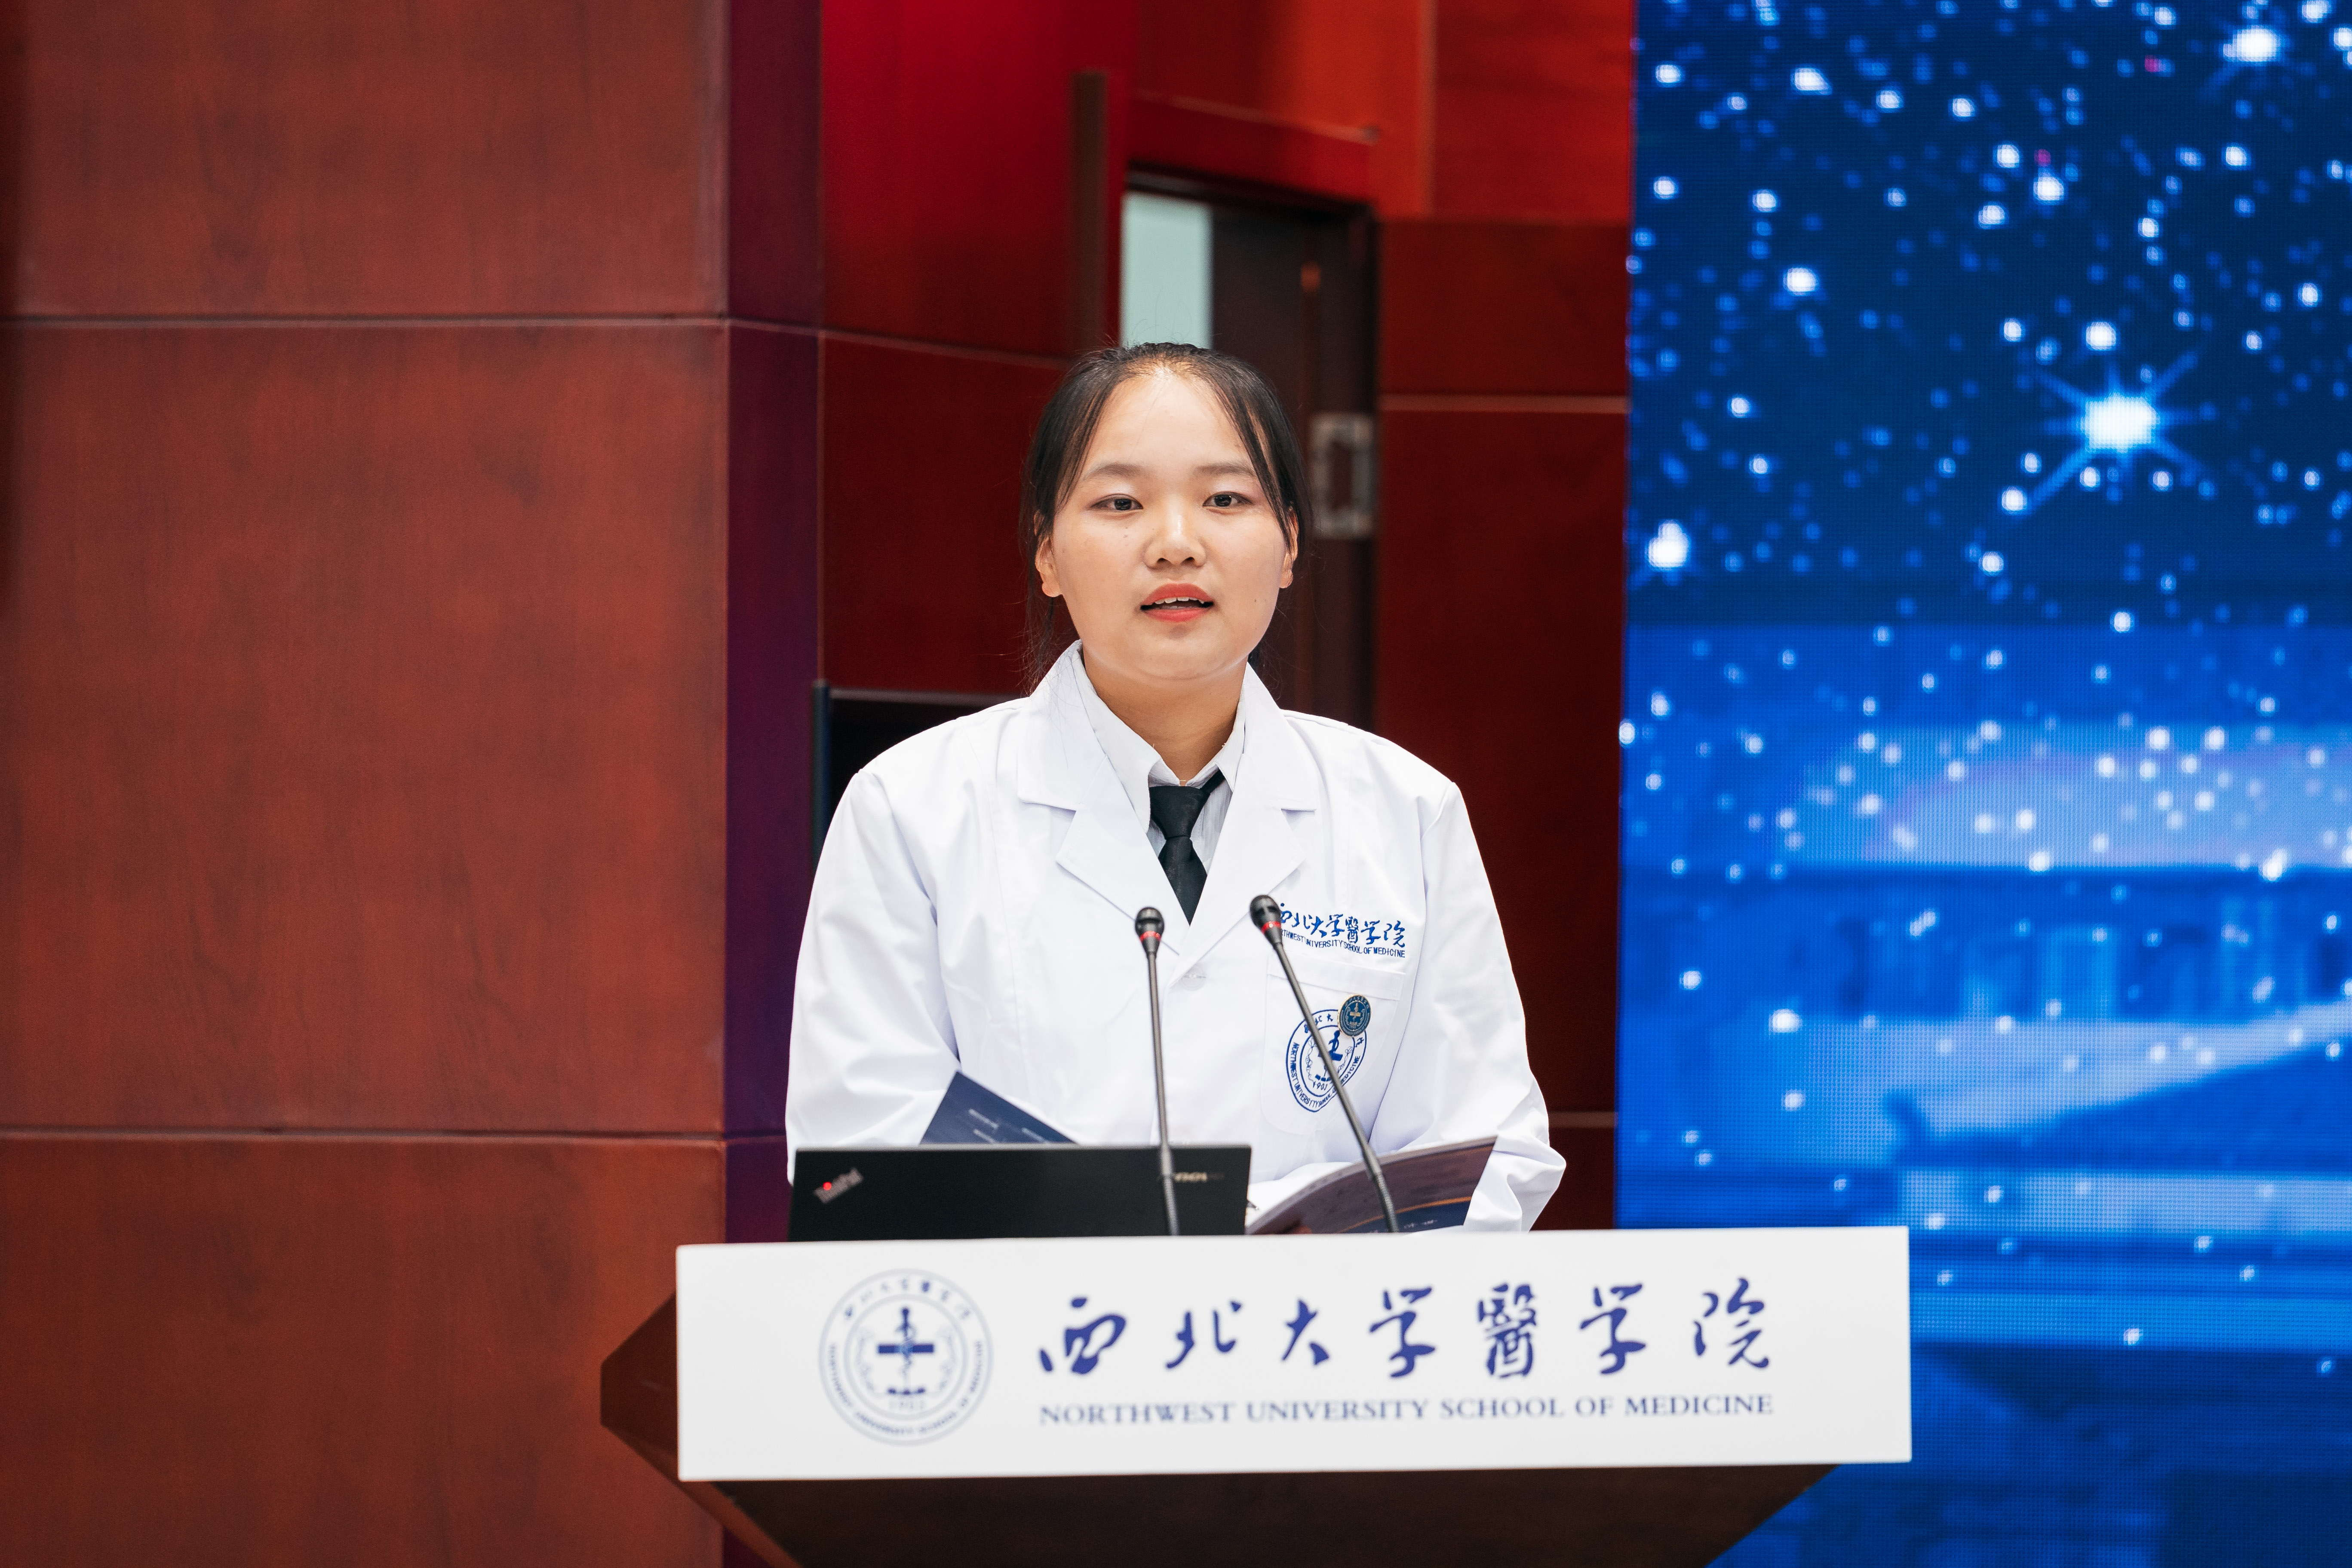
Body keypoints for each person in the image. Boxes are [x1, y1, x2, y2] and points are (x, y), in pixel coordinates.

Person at [785, 343, 1563, 1229]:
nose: (1176, 543)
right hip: (1036, 1316)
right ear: (1046, 553)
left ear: (1288, 545)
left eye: (1225, 500)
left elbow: (1484, 1158)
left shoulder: (1406, 812)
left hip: (1318, 1316)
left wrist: (1258, 1254)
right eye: (1119, 503)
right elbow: (861, 1152)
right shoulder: (910, 811)